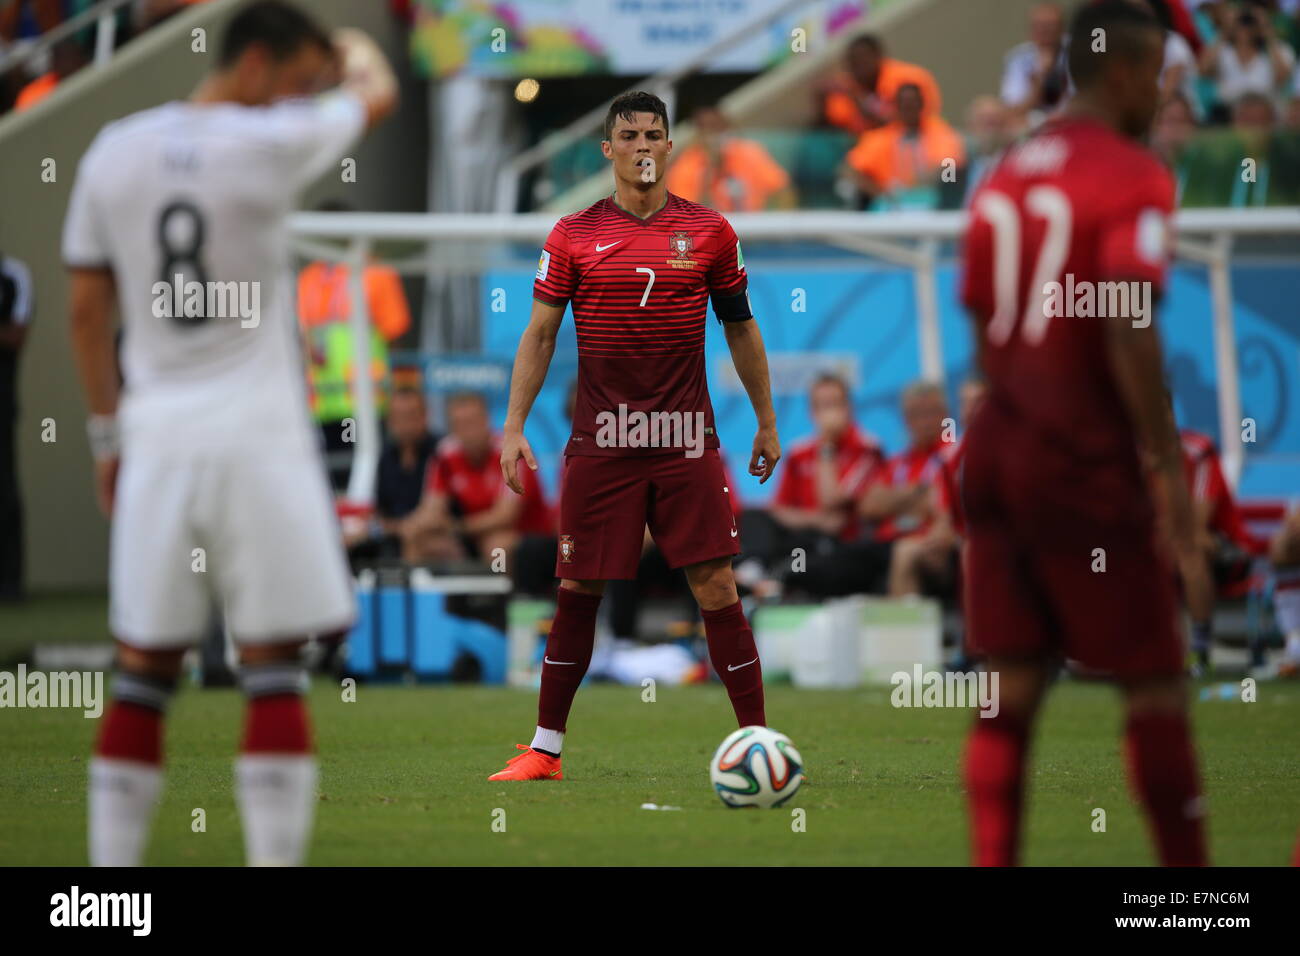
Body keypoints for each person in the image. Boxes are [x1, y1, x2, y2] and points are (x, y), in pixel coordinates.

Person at [62, 0, 397, 866]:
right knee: (274, 661)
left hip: (157, 434)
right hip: (259, 438)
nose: (294, 98)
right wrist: (350, 48)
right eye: (291, 80)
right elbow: (376, 89)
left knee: (144, 668)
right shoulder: (274, 143)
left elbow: (86, 310)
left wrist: (106, 437)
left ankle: (108, 892)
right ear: (255, 65)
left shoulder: (112, 150)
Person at [960, 0, 1212, 866]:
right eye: (1161, 71)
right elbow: (1127, 317)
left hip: (999, 445)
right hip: (1083, 456)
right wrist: (1169, 473)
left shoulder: (1006, 170)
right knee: (1153, 684)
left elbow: (981, 314)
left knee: (1011, 687)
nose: (1165, 86)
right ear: (1129, 71)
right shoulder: (1132, 174)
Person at [490, 89, 780, 781]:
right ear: (609, 149)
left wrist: (767, 420)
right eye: (630, 136)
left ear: (669, 146)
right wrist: (513, 426)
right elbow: (539, 333)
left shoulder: (710, 231)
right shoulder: (572, 234)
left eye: (655, 134)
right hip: (604, 440)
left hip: (686, 439)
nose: (643, 146)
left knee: (716, 587)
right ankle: (545, 751)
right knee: (578, 587)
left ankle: (761, 745)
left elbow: (740, 326)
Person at [297, 199, 412, 491]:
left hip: (367, 399)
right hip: (321, 401)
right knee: (328, 486)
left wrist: (401, 393)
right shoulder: (308, 279)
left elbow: (396, 336)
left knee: (368, 481)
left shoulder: (377, 273)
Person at [404, 391, 552, 567]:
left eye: (472, 423)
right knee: (417, 536)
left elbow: (505, 516)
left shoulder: (511, 453)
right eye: (460, 425)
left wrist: (457, 527)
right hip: (472, 534)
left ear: (486, 420)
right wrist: (419, 524)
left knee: (497, 546)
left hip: (526, 536)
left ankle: (502, 594)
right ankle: (420, 592)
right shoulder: (445, 453)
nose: (468, 432)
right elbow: (433, 506)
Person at [844, 83, 965, 210]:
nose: (909, 108)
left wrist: (939, 175)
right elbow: (849, 171)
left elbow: (952, 165)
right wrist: (881, 194)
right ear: (896, 106)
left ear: (922, 105)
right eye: (904, 104)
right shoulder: (878, 138)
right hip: (889, 203)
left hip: (932, 202)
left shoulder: (941, 134)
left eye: (913, 103)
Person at [665, 105, 794, 212]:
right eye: (708, 129)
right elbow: (685, 214)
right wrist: (710, 171)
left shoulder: (750, 153)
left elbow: (784, 191)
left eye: (719, 127)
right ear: (699, 134)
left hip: (752, 232)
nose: (715, 134)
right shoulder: (685, 166)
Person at [818, 33, 942, 135]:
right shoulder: (846, 87)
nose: (858, 67)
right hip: (875, 151)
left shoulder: (911, 78)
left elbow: (907, 125)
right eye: (852, 63)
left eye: (863, 59)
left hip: (922, 139)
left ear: (878, 55)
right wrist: (821, 100)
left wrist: (862, 102)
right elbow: (840, 127)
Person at [0, 250, 32, 601]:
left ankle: (10, 585)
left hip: (3, 404)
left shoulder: (14, 275)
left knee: (5, 490)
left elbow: (16, 335)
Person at [1000, 3, 1071, 121]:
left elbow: (1080, 101)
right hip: (1030, 123)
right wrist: (1041, 76)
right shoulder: (1018, 58)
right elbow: (1013, 110)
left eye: (1050, 26)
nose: (1044, 31)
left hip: (1069, 120)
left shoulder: (1076, 53)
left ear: (1062, 28)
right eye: (1039, 26)